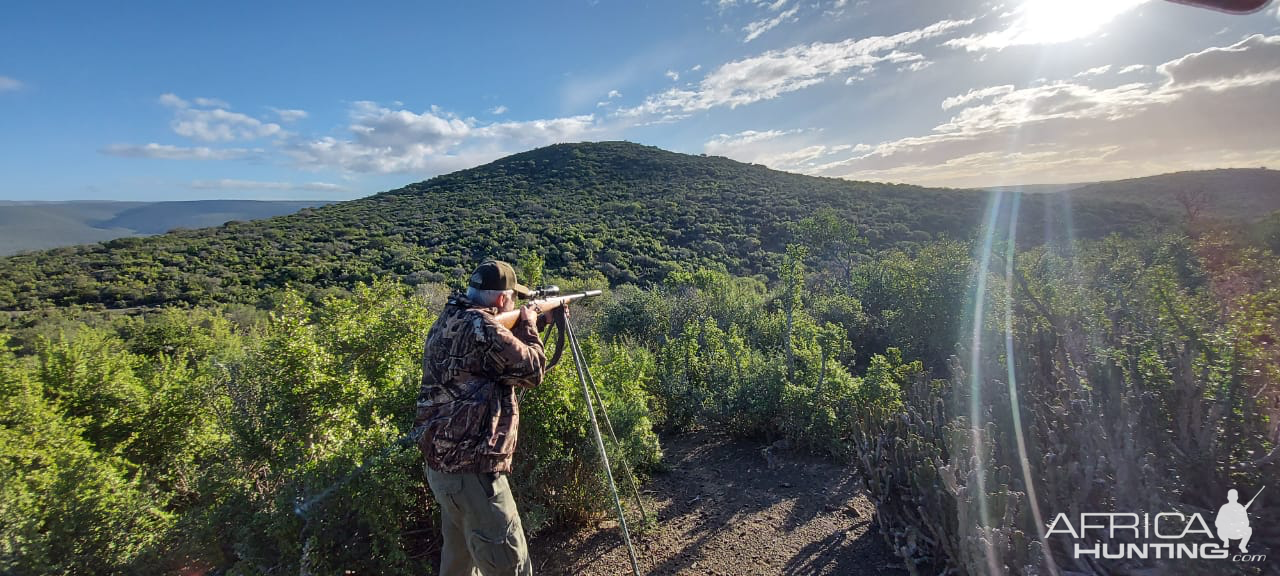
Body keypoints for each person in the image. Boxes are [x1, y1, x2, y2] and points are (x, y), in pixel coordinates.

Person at [415, 260, 555, 576]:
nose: (517, 305)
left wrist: (527, 324)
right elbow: (533, 371)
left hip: (443, 471)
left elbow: (487, 355)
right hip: (474, 474)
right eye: (513, 299)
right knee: (510, 564)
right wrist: (530, 323)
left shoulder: (449, 319)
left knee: (459, 564)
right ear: (500, 300)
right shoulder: (485, 328)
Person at [1215, 489, 1252, 553]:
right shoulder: (1224, 507)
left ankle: (1242, 546)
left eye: (1234, 496)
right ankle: (1226, 541)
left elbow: (1246, 522)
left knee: (1249, 530)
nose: (1232, 498)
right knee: (1220, 529)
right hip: (1226, 532)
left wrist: (1239, 524)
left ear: (1237, 497)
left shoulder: (1240, 507)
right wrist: (1227, 523)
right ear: (1228, 497)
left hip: (1237, 532)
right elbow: (1217, 522)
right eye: (1231, 496)